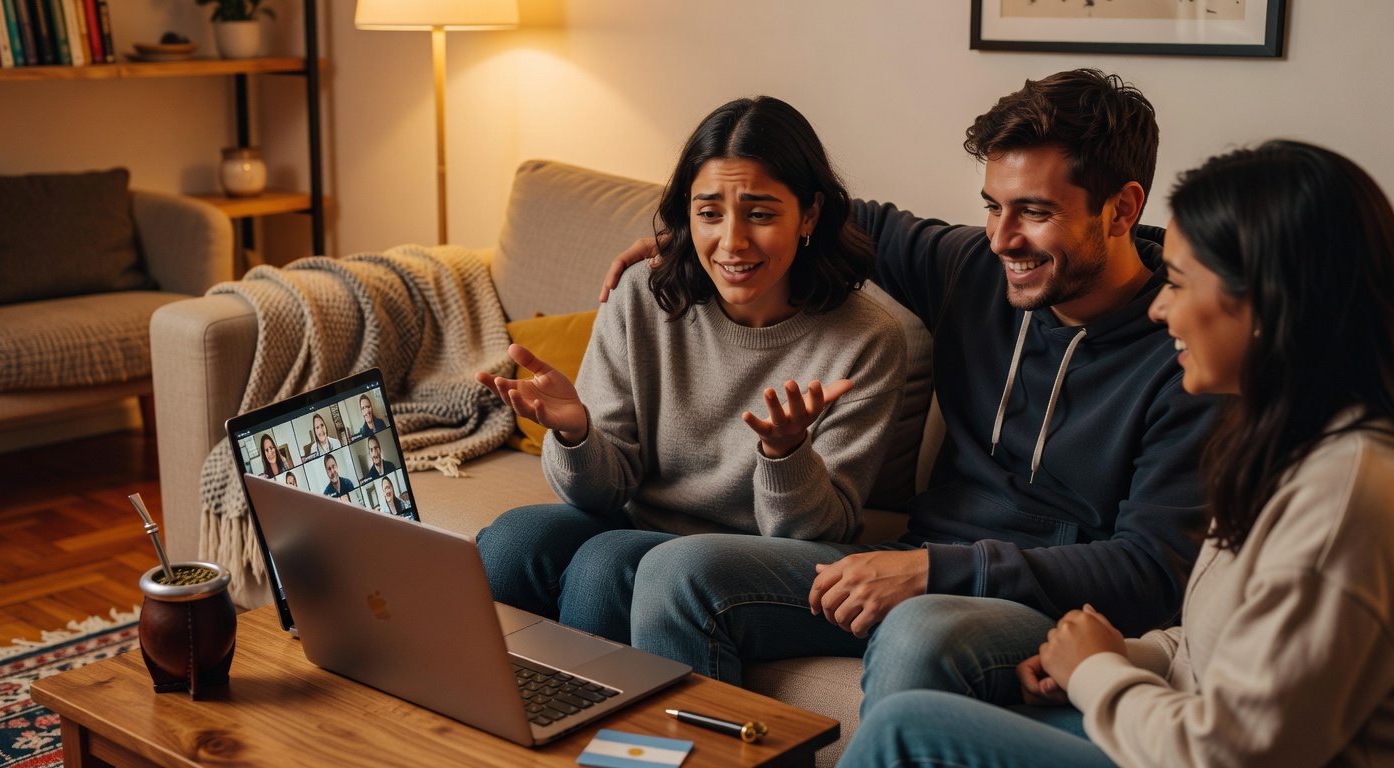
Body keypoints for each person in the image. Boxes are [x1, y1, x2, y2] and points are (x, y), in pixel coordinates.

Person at [602, 69, 1220, 705]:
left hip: (1052, 610)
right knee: (681, 573)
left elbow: (1153, 571)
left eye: (1034, 212)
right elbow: (832, 210)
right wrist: (709, 240)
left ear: (1122, 208)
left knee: (919, 633)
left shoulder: (1189, 354)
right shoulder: (970, 269)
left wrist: (934, 572)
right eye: (992, 205)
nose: (1002, 238)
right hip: (914, 559)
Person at [838, 139, 1394, 767]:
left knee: (910, 730)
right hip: (1165, 718)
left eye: (1179, 284)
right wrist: (1131, 655)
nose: (1161, 307)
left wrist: (1099, 673)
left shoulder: (1340, 499)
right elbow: (1223, 647)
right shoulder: (1284, 446)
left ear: (1270, 302)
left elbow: (1232, 754)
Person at [474, 95, 908, 645]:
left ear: (810, 215)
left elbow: (821, 534)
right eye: (709, 214)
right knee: (514, 539)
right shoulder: (643, 297)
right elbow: (602, 493)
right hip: (640, 524)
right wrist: (576, 432)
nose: (732, 242)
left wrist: (786, 454)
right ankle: (492, 717)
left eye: (761, 213)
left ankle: (608, 727)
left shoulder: (867, 339)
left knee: (606, 563)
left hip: (754, 558)